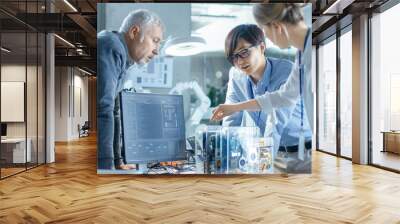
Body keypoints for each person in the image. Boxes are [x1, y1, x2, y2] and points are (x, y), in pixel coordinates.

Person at [211, 3, 313, 131]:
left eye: (264, 31)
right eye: (234, 57)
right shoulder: (302, 54)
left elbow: (279, 112)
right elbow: (283, 97)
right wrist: (234, 107)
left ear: (276, 26)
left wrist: (236, 107)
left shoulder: (313, 50)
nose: (266, 38)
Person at [221, 24, 312, 161]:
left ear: (262, 47)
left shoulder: (286, 72)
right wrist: (225, 154)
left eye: (244, 52)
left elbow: (274, 123)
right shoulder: (236, 75)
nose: (239, 62)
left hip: (300, 153)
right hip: (269, 151)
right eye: (234, 57)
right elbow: (231, 118)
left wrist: (263, 163)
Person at [97, 9, 164, 170]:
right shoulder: (112, 45)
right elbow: (103, 108)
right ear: (134, 32)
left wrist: (117, 161)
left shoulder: (123, 56)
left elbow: (114, 111)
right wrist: (106, 166)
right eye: (155, 40)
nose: (157, 50)